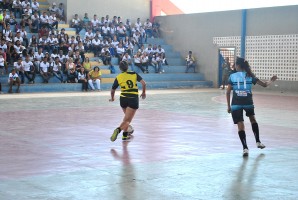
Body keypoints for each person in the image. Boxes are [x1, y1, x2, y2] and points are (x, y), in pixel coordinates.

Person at [226, 57, 278, 156]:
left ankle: (245, 148)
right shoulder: (250, 75)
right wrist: (271, 80)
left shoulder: (232, 76)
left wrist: (228, 106)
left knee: (240, 125)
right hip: (248, 102)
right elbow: (265, 84)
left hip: (236, 104)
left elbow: (228, 92)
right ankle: (258, 141)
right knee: (253, 119)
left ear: (238, 65)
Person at [109, 61, 146, 142]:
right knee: (127, 121)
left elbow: (112, 90)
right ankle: (118, 130)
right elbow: (144, 83)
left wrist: (112, 98)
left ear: (120, 68)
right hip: (133, 98)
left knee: (126, 119)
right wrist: (143, 92)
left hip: (123, 99)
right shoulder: (133, 73)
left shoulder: (119, 76)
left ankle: (125, 136)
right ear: (128, 66)